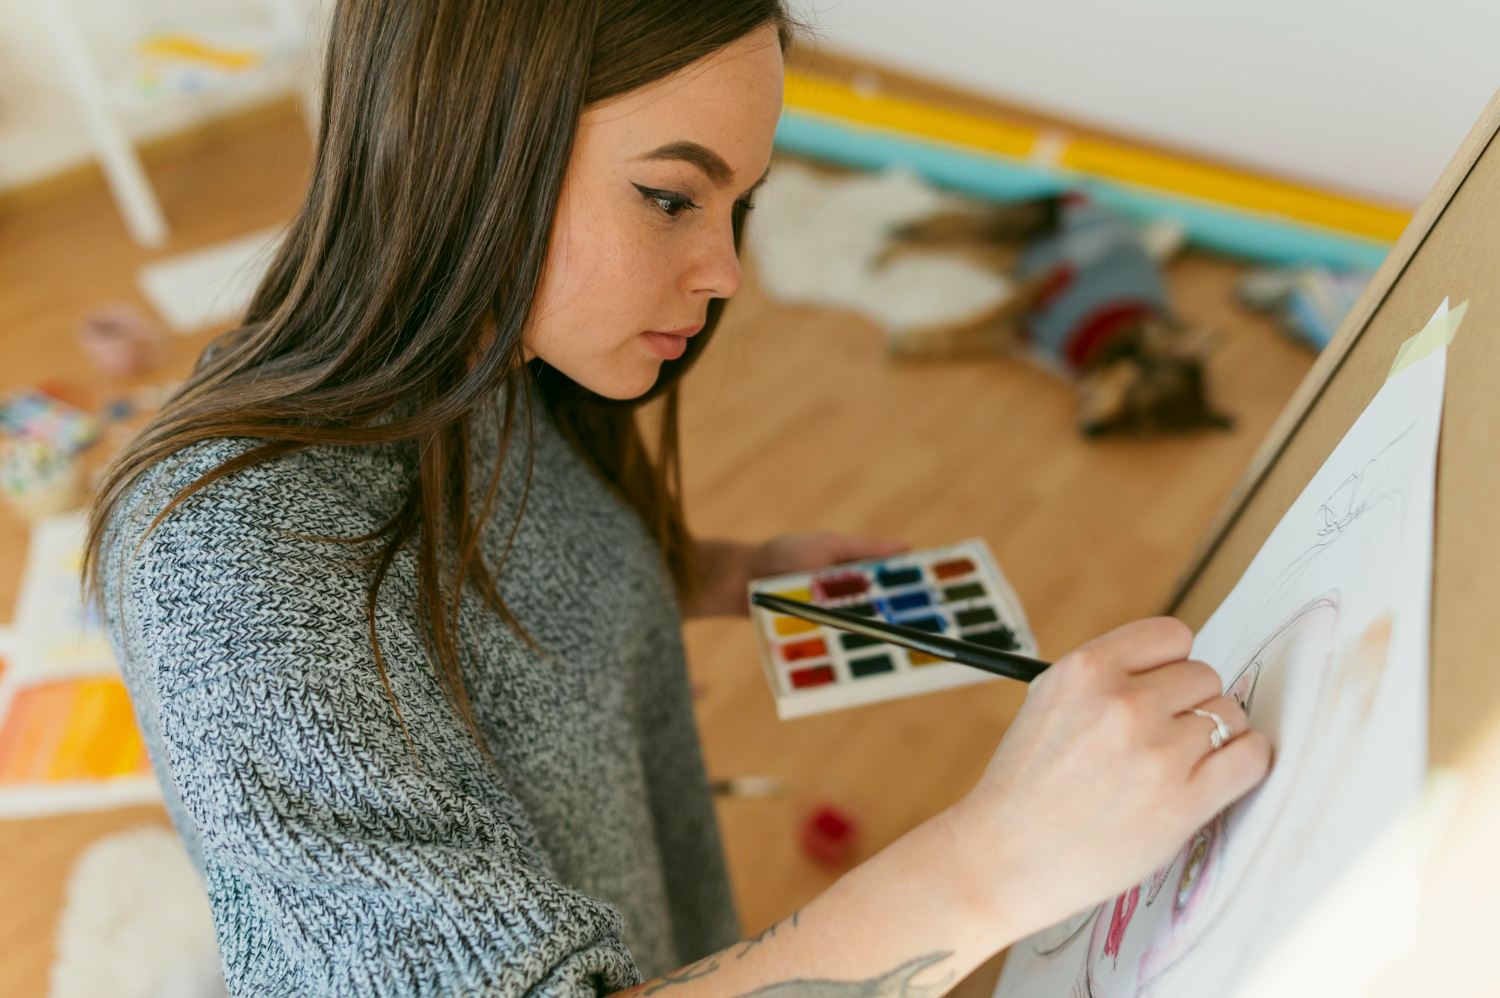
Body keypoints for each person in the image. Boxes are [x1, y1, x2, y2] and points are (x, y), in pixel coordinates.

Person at [85, 2, 1272, 996]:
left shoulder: (486, 355)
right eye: (670, 198)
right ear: (459, 145)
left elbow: (498, 576)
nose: (727, 272)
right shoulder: (232, 561)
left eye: (737, 204)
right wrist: (996, 861)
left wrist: (720, 570)